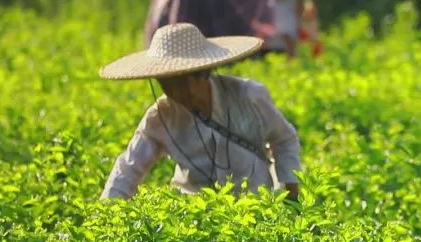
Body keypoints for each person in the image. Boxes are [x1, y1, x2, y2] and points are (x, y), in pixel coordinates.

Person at [99, 22, 302, 200]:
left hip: (253, 210)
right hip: (194, 220)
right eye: (165, 83)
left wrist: (291, 195)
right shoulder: (160, 116)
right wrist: (107, 216)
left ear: (202, 74)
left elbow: (284, 139)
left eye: (180, 82)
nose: (173, 92)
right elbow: (128, 168)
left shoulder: (247, 95)